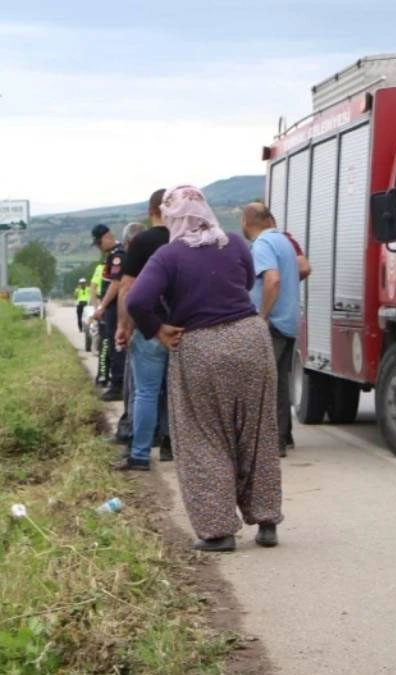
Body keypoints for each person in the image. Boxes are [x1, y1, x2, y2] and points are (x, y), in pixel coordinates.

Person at [126, 185, 283, 551]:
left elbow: (137, 301)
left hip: (201, 346)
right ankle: (267, 522)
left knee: (203, 437)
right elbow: (245, 281)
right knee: (257, 432)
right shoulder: (234, 242)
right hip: (250, 339)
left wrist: (158, 329)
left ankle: (219, 531)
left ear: (172, 217)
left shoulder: (169, 255)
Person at [113, 189, 173, 470]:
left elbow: (127, 287)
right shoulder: (184, 240)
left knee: (146, 392)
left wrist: (123, 326)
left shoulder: (142, 242)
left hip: (150, 326)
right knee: (177, 394)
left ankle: (139, 455)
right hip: (183, 327)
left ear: (151, 212)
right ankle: (171, 446)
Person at [242, 202, 302, 456]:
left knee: (262, 384)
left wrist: (262, 316)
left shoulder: (263, 244)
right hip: (288, 322)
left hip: (273, 324)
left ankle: (269, 443)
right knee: (279, 384)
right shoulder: (284, 241)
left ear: (246, 222)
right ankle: (282, 438)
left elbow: (272, 279)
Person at [111, 222, 146, 445]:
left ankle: (132, 435)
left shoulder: (131, 259)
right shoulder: (164, 252)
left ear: (128, 243)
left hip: (140, 329)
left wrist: (123, 327)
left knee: (137, 389)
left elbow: (126, 290)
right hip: (168, 328)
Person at [90, 224, 126, 401]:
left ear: (106, 238)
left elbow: (116, 283)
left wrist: (102, 306)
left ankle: (118, 384)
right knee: (111, 345)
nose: (99, 248)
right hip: (113, 307)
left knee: (115, 345)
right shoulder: (113, 254)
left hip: (115, 307)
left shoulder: (117, 255)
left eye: (98, 243)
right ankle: (117, 382)